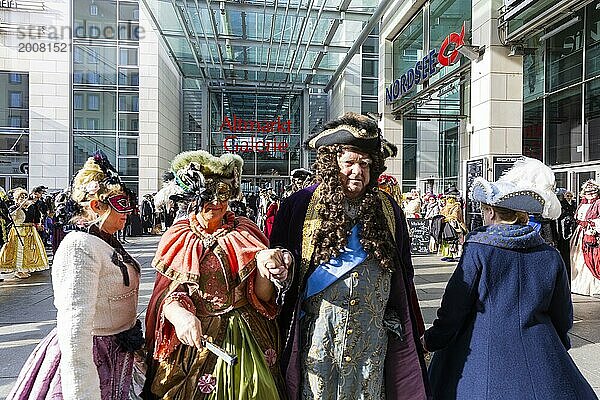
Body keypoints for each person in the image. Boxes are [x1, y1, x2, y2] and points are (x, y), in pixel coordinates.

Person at [269, 112, 430, 400]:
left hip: (371, 336)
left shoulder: (389, 208)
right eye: (349, 163)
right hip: (318, 333)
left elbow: (404, 271)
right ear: (333, 164)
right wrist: (283, 264)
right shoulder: (300, 204)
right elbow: (281, 254)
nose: (357, 171)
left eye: (365, 164)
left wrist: (391, 314)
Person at [423, 157, 597, 400]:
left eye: (483, 211)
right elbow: (562, 315)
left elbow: (454, 309)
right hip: (541, 351)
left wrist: (432, 340)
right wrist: (555, 350)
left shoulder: (478, 249)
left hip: (482, 352)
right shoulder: (549, 254)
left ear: (491, 212)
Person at [143, 150, 292, 399]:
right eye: (207, 194)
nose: (216, 202)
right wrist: (181, 317)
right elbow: (166, 295)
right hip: (198, 336)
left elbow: (262, 296)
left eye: (222, 193)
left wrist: (266, 267)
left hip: (248, 333)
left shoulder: (246, 230)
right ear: (192, 196)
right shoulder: (178, 235)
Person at [7, 150, 143, 399]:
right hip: (88, 358)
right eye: (120, 204)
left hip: (119, 355)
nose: (128, 211)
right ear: (96, 206)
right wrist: (82, 392)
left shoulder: (105, 241)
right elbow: (74, 327)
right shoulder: (79, 247)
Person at [0, 187, 49, 279]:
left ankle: (25, 268)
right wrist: (20, 207)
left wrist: (38, 224)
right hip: (18, 231)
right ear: (16, 199)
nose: (23, 199)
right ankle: (18, 270)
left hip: (30, 230)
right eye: (21, 197)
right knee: (19, 250)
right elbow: (11, 217)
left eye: (25, 197)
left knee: (28, 250)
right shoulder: (13, 208)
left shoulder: (31, 206)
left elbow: (36, 216)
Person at [570, 180, 600, 296]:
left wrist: (592, 224)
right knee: (577, 258)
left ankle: (593, 288)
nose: (591, 194)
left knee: (592, 258)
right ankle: (578, 286)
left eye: (593, 192)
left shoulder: (598, 203)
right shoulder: (582, 204)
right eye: (588, 192)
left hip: (591, 234)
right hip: (579, 234)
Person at [557, 190, 577, 277]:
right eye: (567, 196)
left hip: (571, 228)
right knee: (564, 248)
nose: (569, 198)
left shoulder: (573, 204)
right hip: (563, 229)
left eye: (570, 196)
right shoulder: (562, 204)